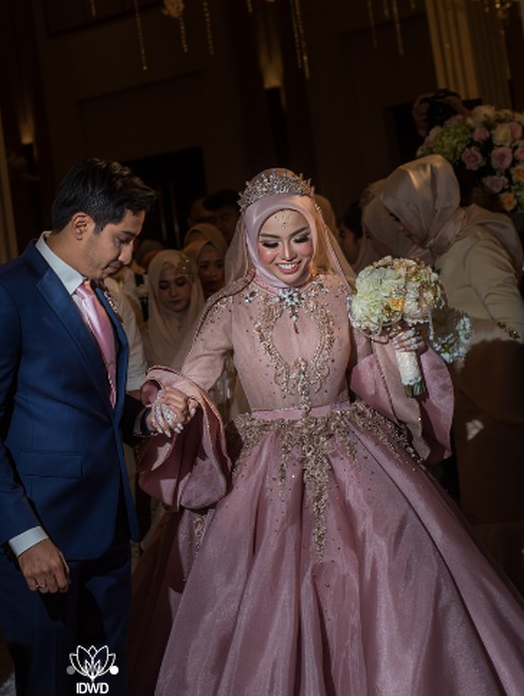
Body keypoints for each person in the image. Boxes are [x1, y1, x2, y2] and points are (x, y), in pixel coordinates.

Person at [128, 167, 524, 696]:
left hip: (354, 451)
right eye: (270, 242)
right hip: (263, 469)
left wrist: (405, 347)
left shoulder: (344, 292)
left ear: (317, 233)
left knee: (392, 569)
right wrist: (172, 403)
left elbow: (378, 375)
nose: (286, 254)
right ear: (250, 240)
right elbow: (190, 377)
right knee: (265, 596)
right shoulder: (230, 307)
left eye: (299, 237)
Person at [0, 159, 189, 696]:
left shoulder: (99, 291)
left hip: (104, 529)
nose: (128, 256)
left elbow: (97, 404)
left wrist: (149, 418)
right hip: (41, 536)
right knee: (52, 684)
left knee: (98, 682)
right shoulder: (3, 295)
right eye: (123, 240)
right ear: (82, 225)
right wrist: (25, 536)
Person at [366, 153, 524, 591]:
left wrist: (441, 329)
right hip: (470, 403)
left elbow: (516, 330)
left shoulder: (476, 247)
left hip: (497, 409)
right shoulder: (441, 249)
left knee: (500, 514)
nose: (398, 229)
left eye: (401, 217)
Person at [140, 250, 204, 368]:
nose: (173, 293)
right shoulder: (145, 336)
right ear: (154, 290)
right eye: (164, 286)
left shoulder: (213, 327)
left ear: (192, 284)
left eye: (180, 283)